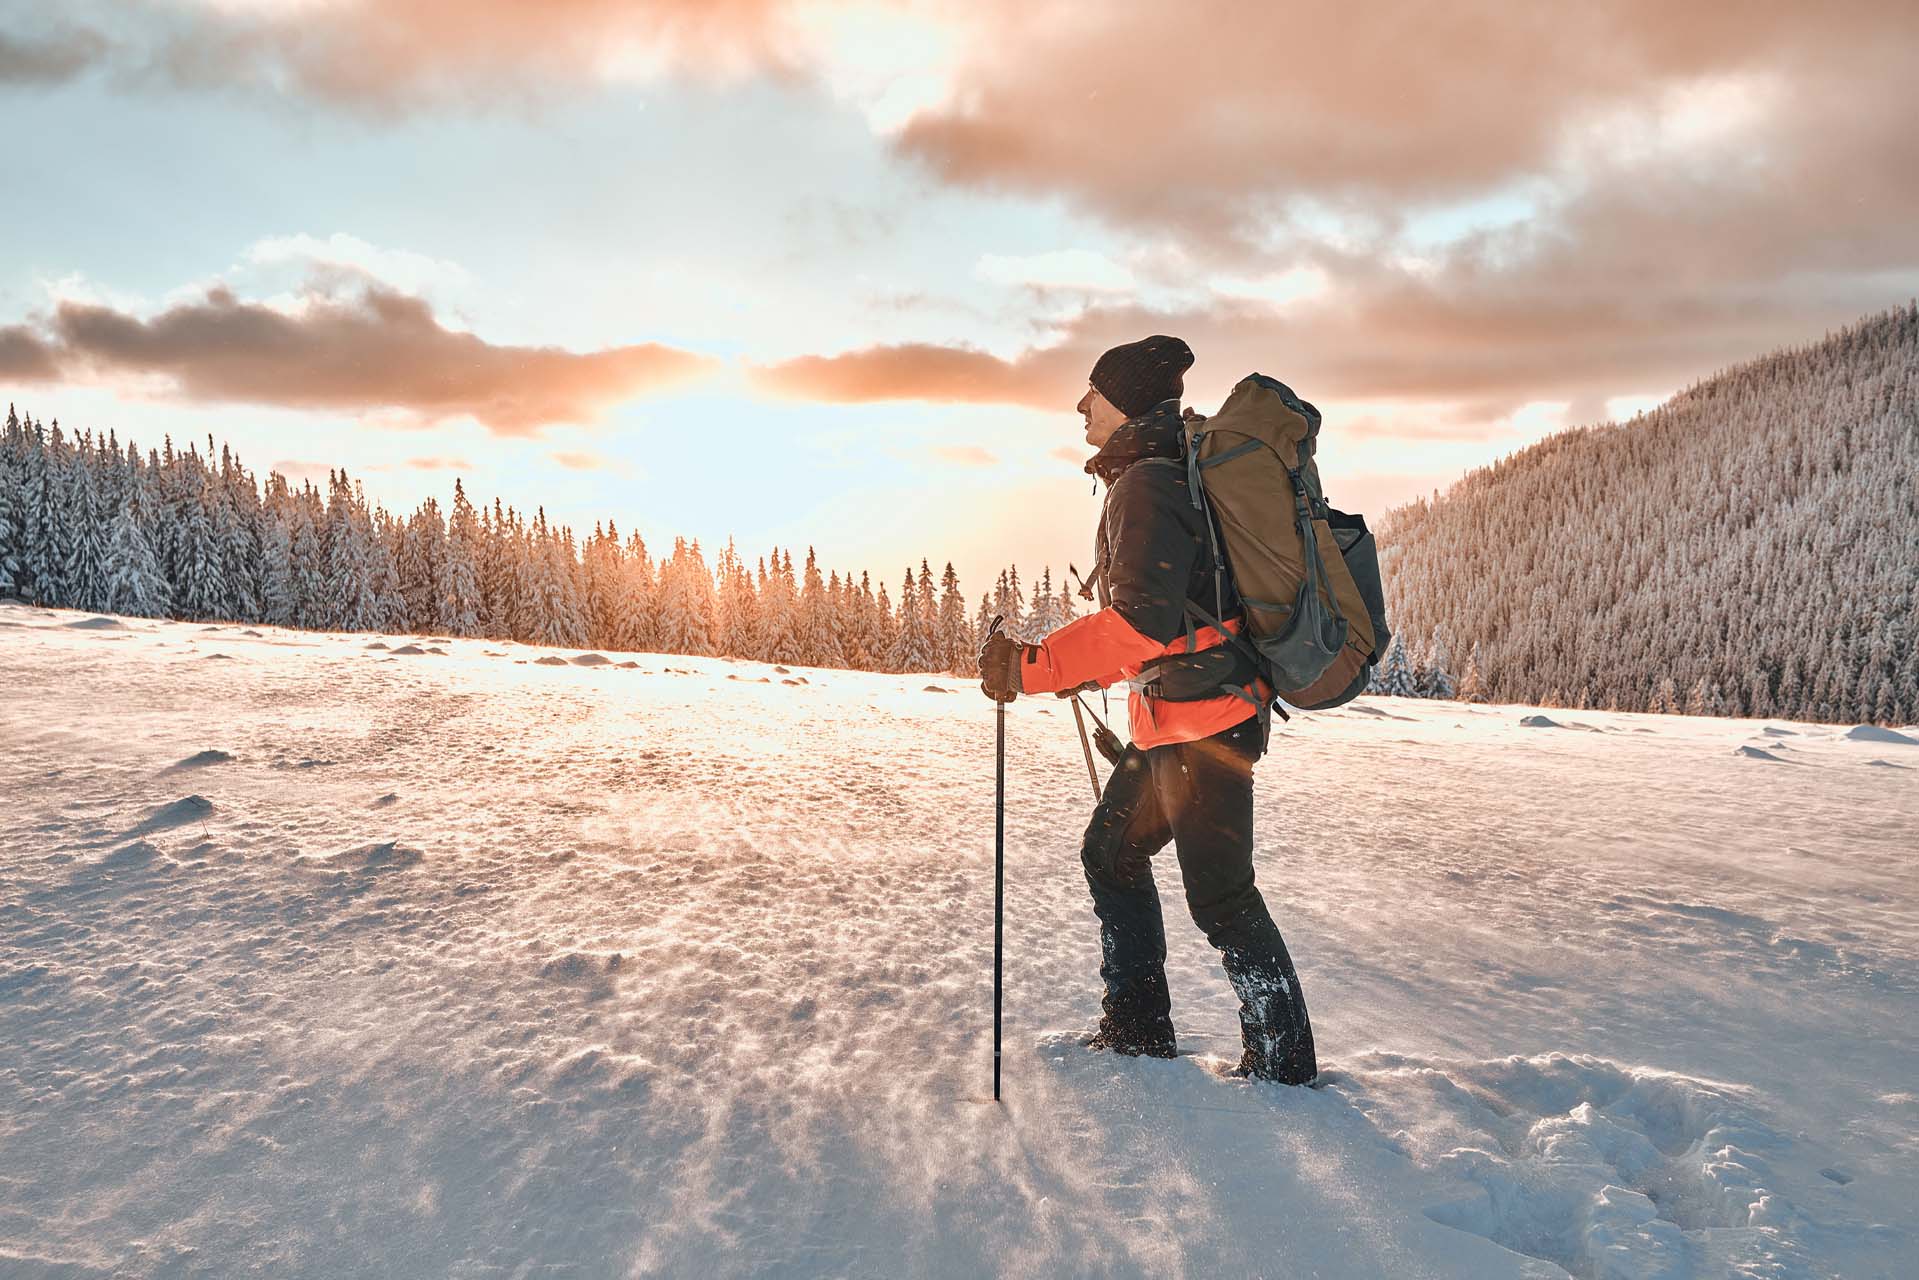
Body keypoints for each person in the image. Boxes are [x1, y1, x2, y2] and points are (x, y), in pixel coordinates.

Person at [978, 335, 1317, 1086]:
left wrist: (1030, 667)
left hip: (1207, 725)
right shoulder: (1158, 473)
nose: (1079, 406)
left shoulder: (1149, 483)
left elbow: (1141, 623)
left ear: (1123, 400)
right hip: (1183, 719)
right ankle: (1136, 1028)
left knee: (1221, 897)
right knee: (1112, 855)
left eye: (1091, 393)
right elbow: (1166, 620)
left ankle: (1283, 1067)